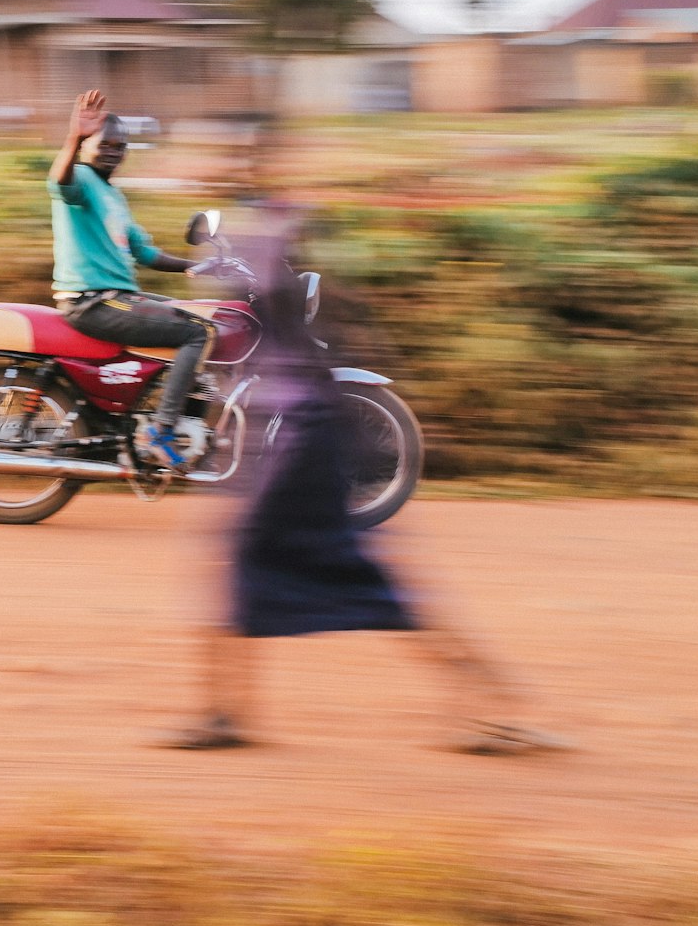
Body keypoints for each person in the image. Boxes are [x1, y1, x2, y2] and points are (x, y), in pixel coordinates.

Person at [163, 210, 567, 754]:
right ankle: (494, 711)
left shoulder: (269, 250)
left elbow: (299, 347)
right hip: (301, 436)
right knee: (346, 580)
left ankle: (223, 715)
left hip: (299, 441)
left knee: (256, 567)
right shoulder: (277, 250)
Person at [47, 89, 210, 469]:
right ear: (89, 145)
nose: (113, 153)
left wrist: (194, 266)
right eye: (106, 144)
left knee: (200, 315)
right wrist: (73, 138)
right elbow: (59, 184)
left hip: (116, 296)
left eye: (121, 147)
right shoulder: (83, 180)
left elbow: (144, 252)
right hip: (93, 301)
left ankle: (171, 414)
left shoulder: (113, 196)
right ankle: (161, 429)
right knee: (195, 333)